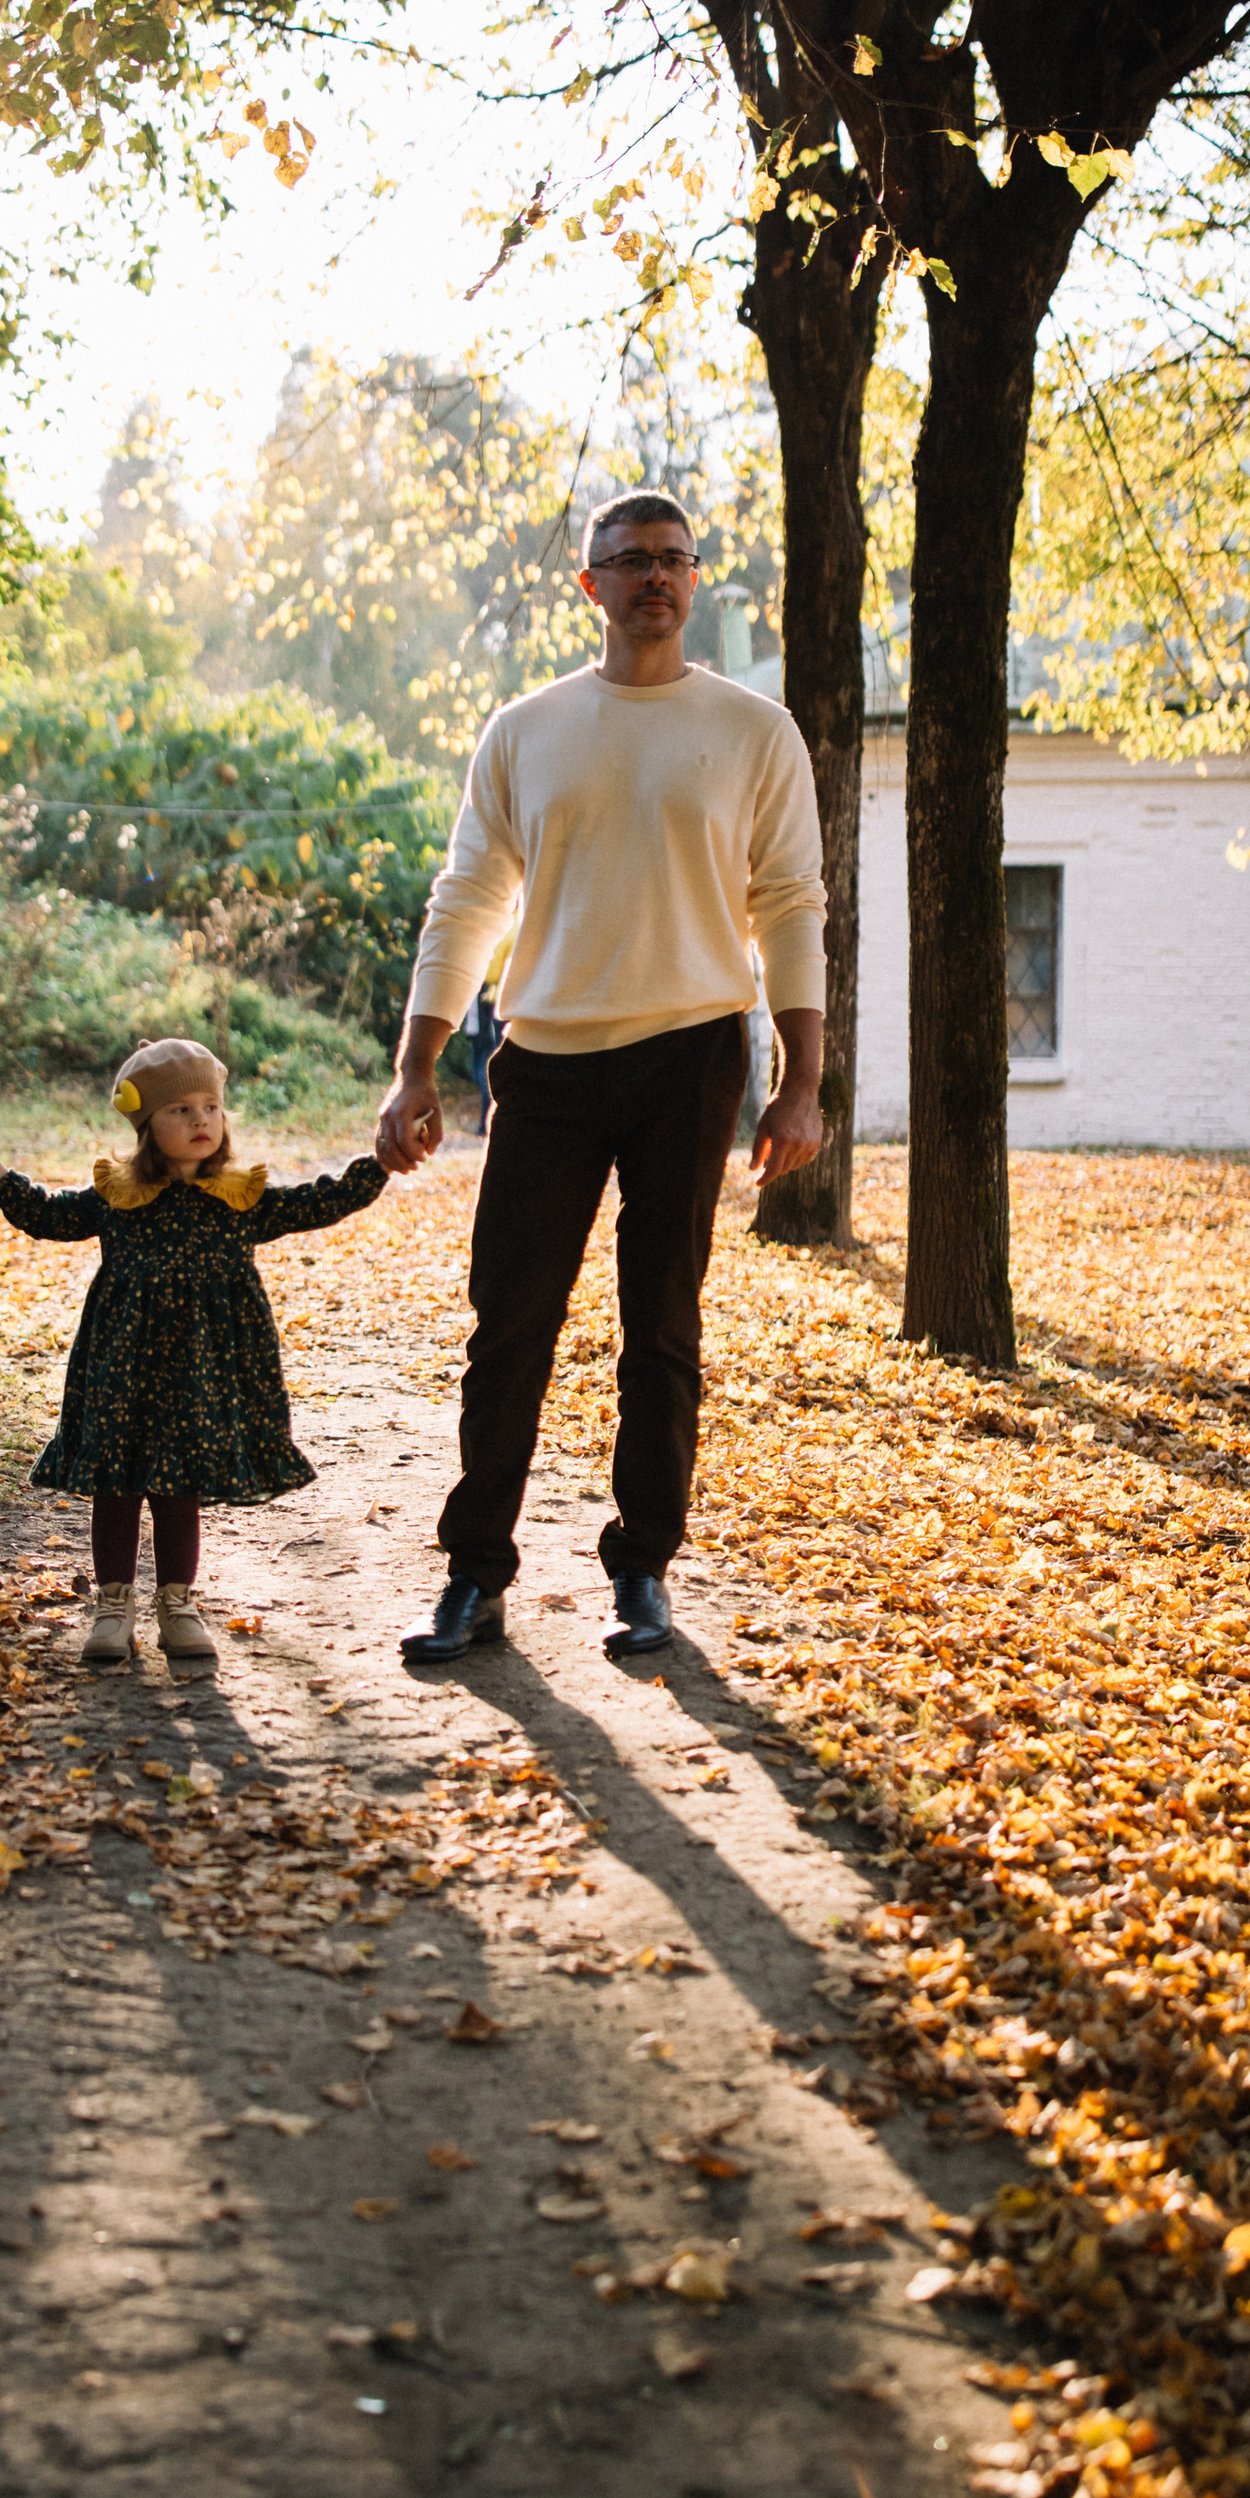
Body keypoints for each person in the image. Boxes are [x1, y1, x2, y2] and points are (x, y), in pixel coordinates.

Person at [376, 491, 826, 1665]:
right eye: (629, 562)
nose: (654, 580)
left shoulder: (753, 731)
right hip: (549, 1059)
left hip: (691, 1056)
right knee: (508, 1328)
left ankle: (643, 1575)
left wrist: (801, 1075)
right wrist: (414, 1066)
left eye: (674, 561)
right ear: (591, 584)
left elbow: (789, 904)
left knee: (659, 1328)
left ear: (695, 579)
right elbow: (468, 896)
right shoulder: (527, 729)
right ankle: (474, 1579)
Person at [0, 1036, 386, 1669]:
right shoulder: (120, 1198)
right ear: (146, 1127)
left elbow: (317, 1201)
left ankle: (177, 1603)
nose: (200, 1119)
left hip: (203, 1372)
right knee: (117, 1484)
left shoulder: (237, 1200)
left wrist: (380, 1164)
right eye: (180, 1110)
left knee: (178, 1486)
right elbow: (48, 1215)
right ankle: (112, 1606)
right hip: (123, 1365)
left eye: (210, 1106)